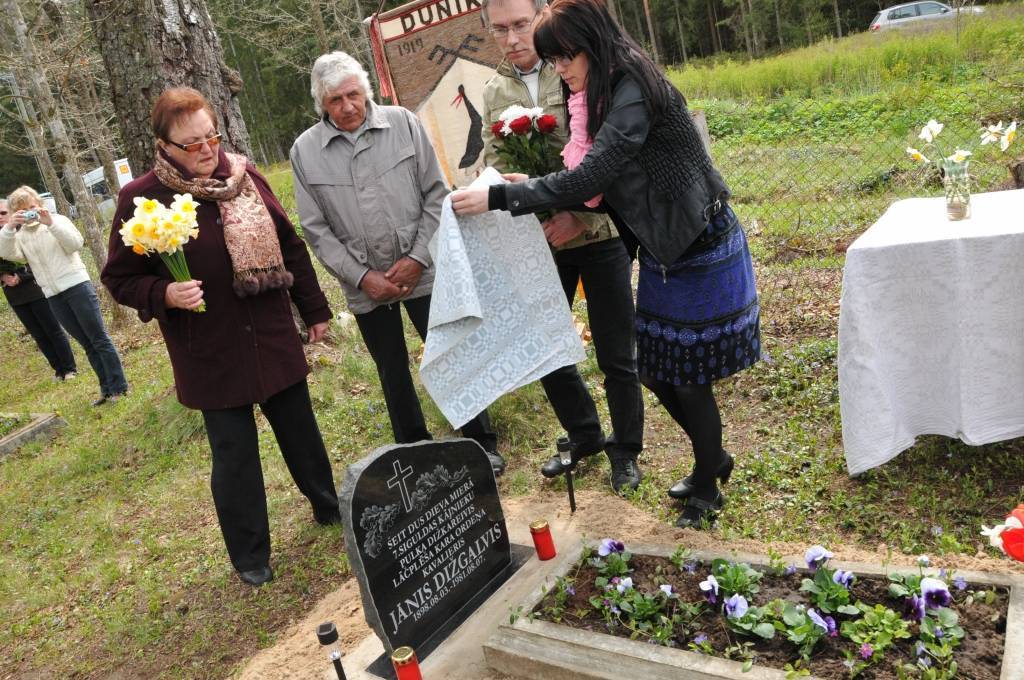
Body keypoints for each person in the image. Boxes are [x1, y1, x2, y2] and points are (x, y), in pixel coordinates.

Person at [452, 0, 761, 528]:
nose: (560, 71)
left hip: (697, 240)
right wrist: (533, 190)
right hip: (665, 248)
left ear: (588, 46)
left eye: (565, 59)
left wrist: (504, 199)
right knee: (659, 368)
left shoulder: (631, 89)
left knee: (688, 377)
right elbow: (593, 177)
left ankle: (708, 485)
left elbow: (592, 175)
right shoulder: (597, 90)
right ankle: (715, 458)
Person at [101, 87, 340, 586]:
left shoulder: (243, 177)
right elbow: (119, 280)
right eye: (191, 144)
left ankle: (328, 504)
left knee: (300, 429)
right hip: (208, 349)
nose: (207, 149)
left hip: (270, 332)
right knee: (234, 454)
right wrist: (164, 293)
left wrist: (314, 310)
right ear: (164, 147)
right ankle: (250, 553)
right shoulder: (141, 200)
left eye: (211, 136)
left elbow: (290, 246)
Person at [290, 52, 503, 475]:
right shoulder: (305, 151)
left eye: (353, 94)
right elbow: (315, 229)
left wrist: (418, 257)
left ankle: (481, 442)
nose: (347, 106)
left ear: (366, 91)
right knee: (392, 370)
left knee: (451, 354)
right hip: (366, 285)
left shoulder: (403, 122)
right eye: (335, 100)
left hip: (424, 270)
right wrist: (362, 277)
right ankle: (416, 453)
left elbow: (436, 194)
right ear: (321, 104)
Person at [478, 0, 644, 492]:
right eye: (500, 30)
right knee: (545, 344)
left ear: (542, 15)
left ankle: (626, 450)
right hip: (543, 241)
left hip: (598, 232)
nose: (512, 39)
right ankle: (584, 435)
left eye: (521, 25)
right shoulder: (494, 91)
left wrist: (580, 214)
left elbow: (604, 157)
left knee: (616, 350)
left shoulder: (582, 70)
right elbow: (494, 156)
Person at [1, 187, 127, 404]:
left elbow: (75, 244)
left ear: (39, 204)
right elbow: (8, 253)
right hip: (52, 295)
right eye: (23, 210)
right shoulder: (20, 235)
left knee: (98, 338)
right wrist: (10, 226)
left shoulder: (57, 221)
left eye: (32, 207)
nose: (30, 213)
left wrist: (50, 223)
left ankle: (119, 387)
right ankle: (106, 389)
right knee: (85, 343)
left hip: (77, 286)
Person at [0, 199, 78, 381]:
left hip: (36, 288)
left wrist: (22, 276)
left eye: (3, 213)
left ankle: (69, 368)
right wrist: (3, 277)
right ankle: (58, 369)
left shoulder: (24, 231)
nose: (0, 218)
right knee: (38, 334)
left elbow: (38, 259)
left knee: (52, 329)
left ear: (12, 213)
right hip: (14, 295)